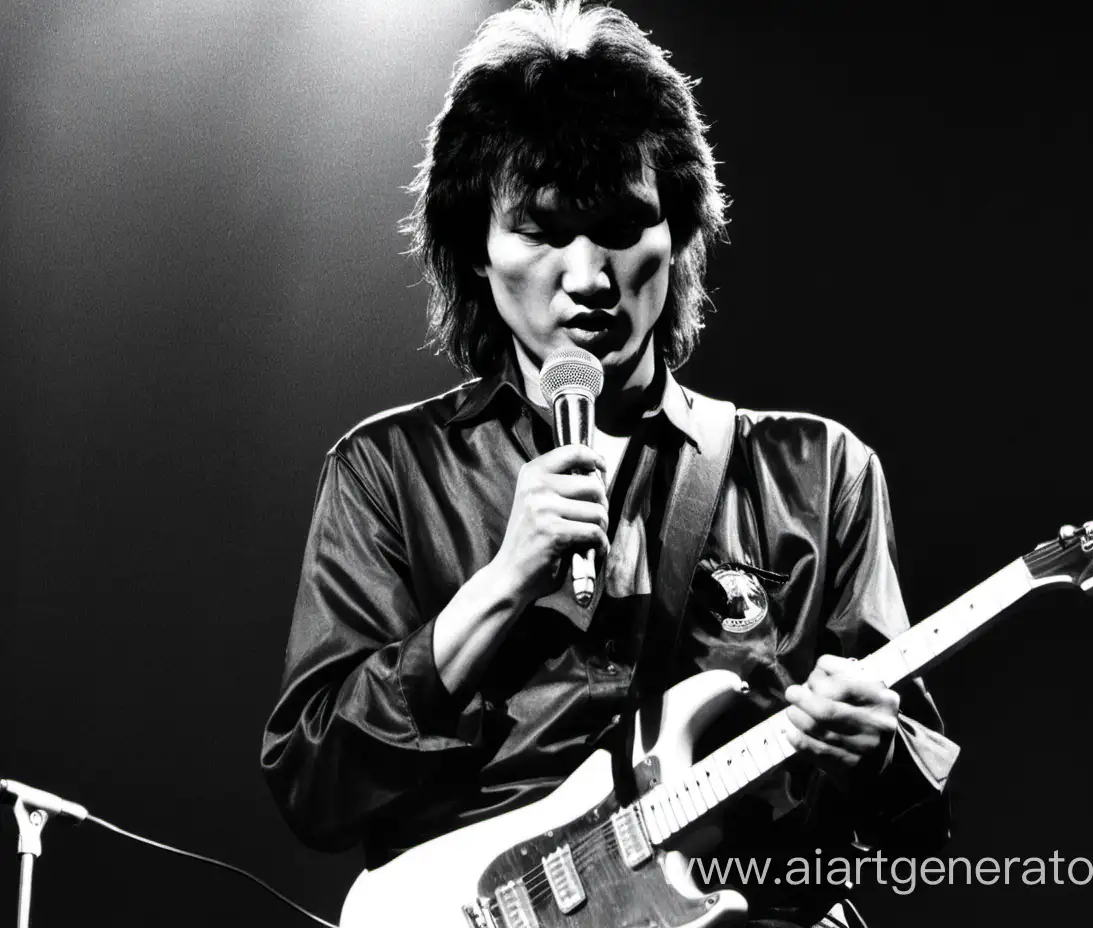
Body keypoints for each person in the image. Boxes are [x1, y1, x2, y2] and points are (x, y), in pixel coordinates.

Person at [261, 2, 958, 925]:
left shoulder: (818, 472)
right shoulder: (389, 473)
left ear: (679, 235)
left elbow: (918, 818)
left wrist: (873, 751)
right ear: (476, 246)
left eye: (625, 226)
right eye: (546, 231)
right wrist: (503, 582)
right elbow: (316, 789)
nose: (588, 276)